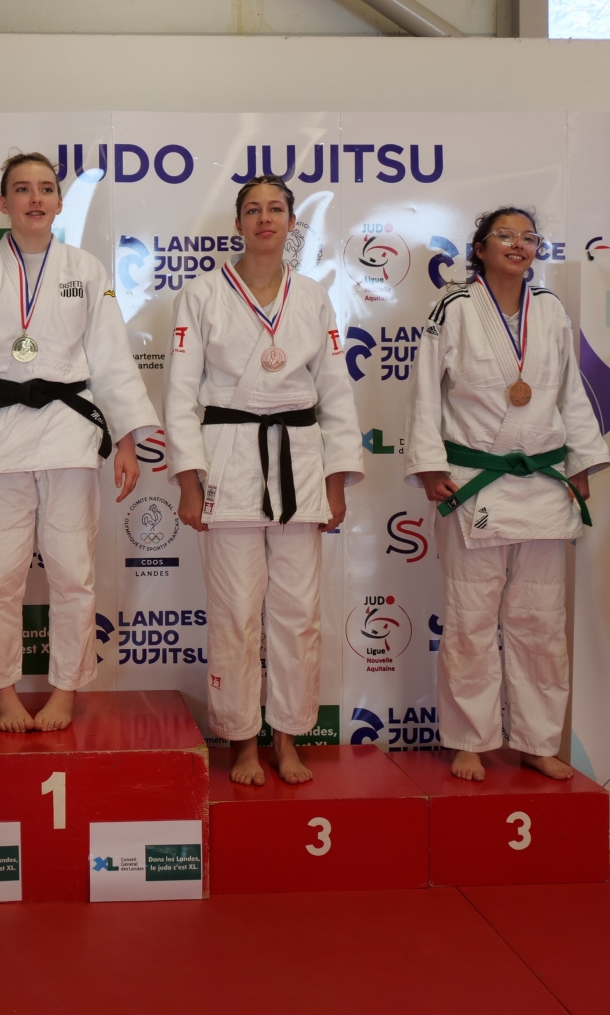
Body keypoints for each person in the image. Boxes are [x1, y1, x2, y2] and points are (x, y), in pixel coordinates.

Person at [0, 152, 158, 733]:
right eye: (22, 189)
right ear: (3, 202)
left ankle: (64, 690)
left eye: (46, 189)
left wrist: (127, 440)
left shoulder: (86, 269)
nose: (35, 199)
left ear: (58, 202)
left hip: (70, 434)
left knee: (73, 573)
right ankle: (2, 692)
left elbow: (111, 360)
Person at [165, 174, 362, 786]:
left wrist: (336, 480)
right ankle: (243, 742)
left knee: (298, 612)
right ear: (238, 223)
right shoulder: (201, 293)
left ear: (292, 223)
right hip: (227, 460)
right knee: (234, 613)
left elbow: (335, 392)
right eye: (253, 210)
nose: (264, 218)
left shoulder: (313, 297)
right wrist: (188, 481)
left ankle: (289, 738)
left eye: (276, 209)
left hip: (298, 462)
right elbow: (180, 394)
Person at [405, 207, 609, 783]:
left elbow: (570, 391)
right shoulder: (453, 307)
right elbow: (425, 392)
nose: (518, 245)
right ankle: (469, 739)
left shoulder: (550, 310)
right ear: (480, 248)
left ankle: (538, 741)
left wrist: (579, 462)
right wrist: (428, 465)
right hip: (474, 482)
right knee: (470, 620)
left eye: (528, 238)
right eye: (505, 236)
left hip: (542, 482)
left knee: (541, 622)